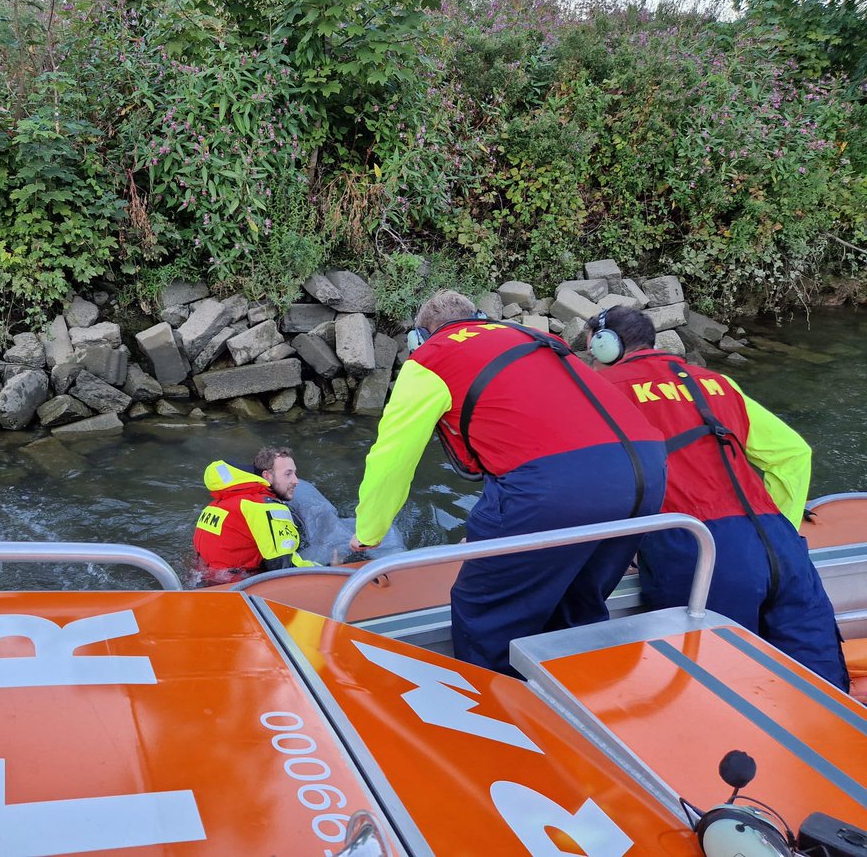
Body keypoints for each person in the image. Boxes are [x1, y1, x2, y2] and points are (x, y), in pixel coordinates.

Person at [350, 290, 668, 675]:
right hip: (646, 472)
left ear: (420, 336)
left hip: (556, 486)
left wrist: (369, 530)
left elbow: (392, 456)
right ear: (480, 317)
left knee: (484, 610)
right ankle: (575, 706)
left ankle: (499, 715)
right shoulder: (528, 337)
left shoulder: (430, 361)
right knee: (579, 604)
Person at [586, 306, 849, 690]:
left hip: (698, 548)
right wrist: (782, 524)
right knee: (821, 689)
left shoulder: (604, 392)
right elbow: (794, 454)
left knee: (713, 690)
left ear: (608, 347)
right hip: (779, 545)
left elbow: (587, 483)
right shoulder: (717, 383)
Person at [193, 445, 316, 584]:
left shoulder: (219, 503)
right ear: (267, 476)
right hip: (236, 588)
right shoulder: (264, 507)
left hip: (202, 580)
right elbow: (283, 567)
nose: (296, 480)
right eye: (288, 474)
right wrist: (328, 568)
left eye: (295, 473)